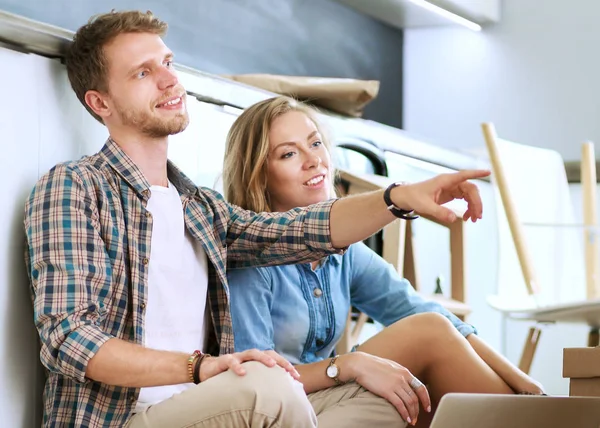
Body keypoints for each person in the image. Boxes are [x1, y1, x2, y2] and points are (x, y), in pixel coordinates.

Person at [24, 10, 489, 428]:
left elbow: (299, 231)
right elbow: (69, 337)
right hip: (125, 418)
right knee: (269, 384)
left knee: (398, 396)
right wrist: (200, 367)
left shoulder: (199, 206)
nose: (169, 81)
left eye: (167, 62)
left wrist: (398, 197)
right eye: (143, 73)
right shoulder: (74, 187)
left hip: (210, 406)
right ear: (100, 103)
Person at [223, 96, 546, 427]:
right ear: (259, 176)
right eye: (289, 154)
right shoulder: (250, 261)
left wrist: (523, 383)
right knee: (427, 334)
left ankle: (536, 417)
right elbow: (256, 382)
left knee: (432, 353)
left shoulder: (344, 254)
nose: (313, 160)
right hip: (280, 410)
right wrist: (345, 365)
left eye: (316, 143)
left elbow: (423, 312)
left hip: (330, 396)